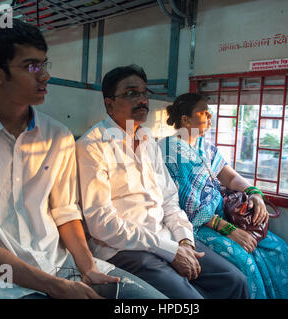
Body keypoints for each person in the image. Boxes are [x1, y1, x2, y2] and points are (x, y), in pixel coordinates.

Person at [0, 15, 165, 299]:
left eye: (44, 64)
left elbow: (65, 211)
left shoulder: (59, 136)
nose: (44, 75)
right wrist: (56, 287)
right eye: (31, 66)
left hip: (59, 264)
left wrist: (88, 267)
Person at [76, 64, 250, 299]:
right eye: (131, 93)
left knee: (234, 281)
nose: (142, 100)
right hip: (123, 249)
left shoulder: (148, 141)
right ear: (109, 104)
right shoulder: (93, 146)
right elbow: (102, 224)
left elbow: (169, 201)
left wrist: (185, 241)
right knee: (190, 300)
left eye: (144, 93)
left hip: (167, 238)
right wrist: (169, 250)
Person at [159, 92, 288, 299]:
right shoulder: (169, 150)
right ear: (185, 119)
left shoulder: (205, 147)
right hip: (197, 226)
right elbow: (187, 206)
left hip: (224, 214)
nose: (210, 118)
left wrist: (254, 193)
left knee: (277, 248)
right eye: (204, 113)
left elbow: (230, 178)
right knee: (245, 262)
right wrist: (230, 231)